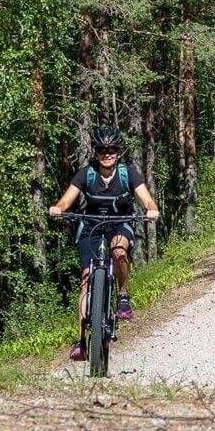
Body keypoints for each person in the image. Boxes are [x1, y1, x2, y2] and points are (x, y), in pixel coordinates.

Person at [49, 126, 159, 361]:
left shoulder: (128, 173)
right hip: (91, 225)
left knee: (119, 252)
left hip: (119, 224)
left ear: (118, 152)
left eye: (111, 150)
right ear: (96, 152)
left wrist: (151, 209)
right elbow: (67, 200)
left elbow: (147, 200)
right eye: (101, 150)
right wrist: (58, 208)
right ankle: (80, 341)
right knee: (86, 279)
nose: (106, 154)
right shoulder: (86, 174)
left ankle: (123, 295)